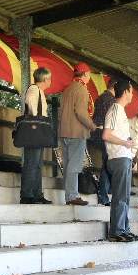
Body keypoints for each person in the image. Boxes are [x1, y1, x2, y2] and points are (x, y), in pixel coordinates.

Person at [103, 78, 138, 242]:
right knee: (120, 196)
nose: (132, 95)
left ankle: (124, 228)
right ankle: (116, 231)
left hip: (124, 157)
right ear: (125, 92)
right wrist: (125, 143)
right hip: (118, 158)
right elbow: (106, 135)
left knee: (124, 196)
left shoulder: (121, 110)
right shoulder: (115, 109)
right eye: (131, 91)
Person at [59, 63, 99, 206]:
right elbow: (81, 113)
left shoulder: (68, 89)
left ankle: (69, 195)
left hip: (64, 132)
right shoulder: (82, 89)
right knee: (74, 166)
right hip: (77, 132)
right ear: (86, 74)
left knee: (68, 164)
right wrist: (93, 126)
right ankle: (72, 196)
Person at [20, 67, 53, 204]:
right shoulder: (34, 90)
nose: (50, 81)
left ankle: (37, 193)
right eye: (49, 78)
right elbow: (32, 108)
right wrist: (37, 122)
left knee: (37, 163)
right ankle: (27, 194)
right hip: (34, 131)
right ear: (45, 79)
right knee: (32, 163)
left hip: (37, 131)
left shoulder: (39, 91)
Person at [92, 79, 118, 206]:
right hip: (104, 133)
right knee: (108, 165)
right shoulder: (111, 100)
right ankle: (103, 194)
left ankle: (105, 192)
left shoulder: (101, 97)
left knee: (107, 164)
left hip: (96, 133)